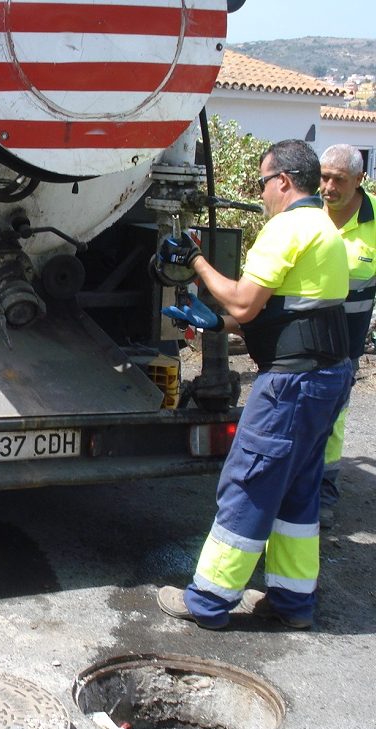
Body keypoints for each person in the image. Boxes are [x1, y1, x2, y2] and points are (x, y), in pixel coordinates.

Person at [155, 139, 353, 630]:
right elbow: (293, 314)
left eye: (264, 182)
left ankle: (207, 600)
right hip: (327, 376)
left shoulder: (286, 227)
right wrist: (217, 324)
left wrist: (197, 263)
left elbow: (245, 303)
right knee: (296, 493)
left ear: (283, 180)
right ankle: (292, 602)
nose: (262, 192)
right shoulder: (323, 229)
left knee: (250, 483)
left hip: (291, 386)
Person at [317, 144, 376, 528]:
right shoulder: (306, 212)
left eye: (338, 179)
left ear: (359, 180)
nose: (328, 187)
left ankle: (324, 492)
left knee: (334, 419)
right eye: (323, 177)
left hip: (345, 345)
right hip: (297, 341)